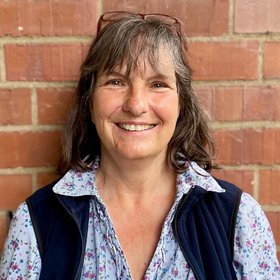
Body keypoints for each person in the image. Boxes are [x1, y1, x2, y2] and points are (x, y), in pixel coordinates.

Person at [0, 11, 279, 280]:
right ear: (90, 101)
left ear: (181, 103)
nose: (135, 105)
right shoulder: (35, 222)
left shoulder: (239, 219)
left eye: (157, 84)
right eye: (116, 81)